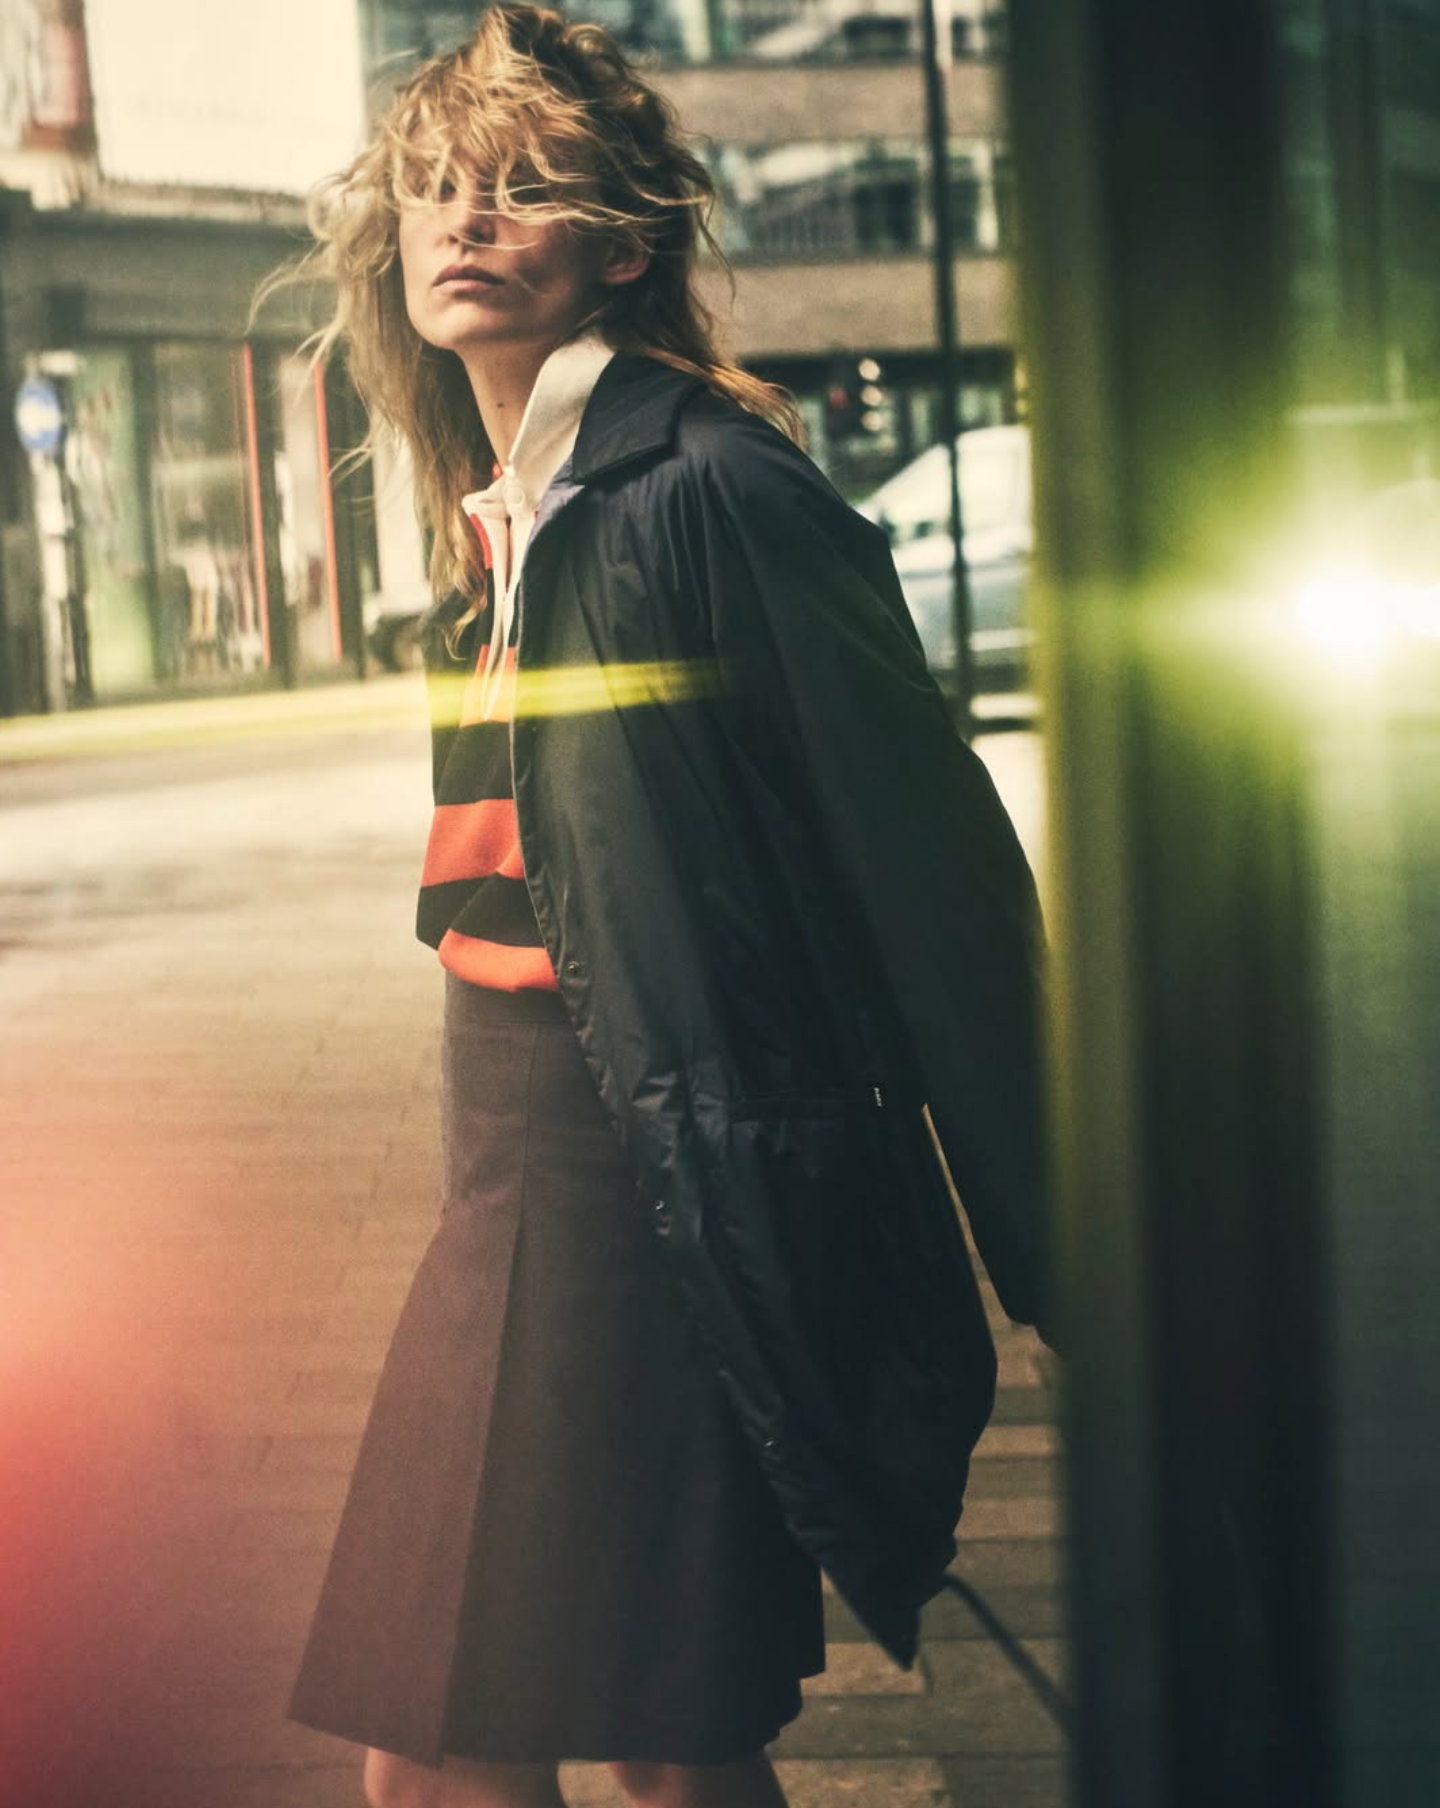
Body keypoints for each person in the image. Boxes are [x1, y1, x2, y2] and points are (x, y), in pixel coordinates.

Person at [279, 9, 1054, 1807]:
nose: (463, 221)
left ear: (620, 246)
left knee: (508, 1745)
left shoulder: (711, 489)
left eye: (521, 189)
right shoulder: (508, 516)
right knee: (642, 1727)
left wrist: (1063, 1237)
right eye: (433, 189)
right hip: (515, 1155)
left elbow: (931, 866)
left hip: (627, 1165)